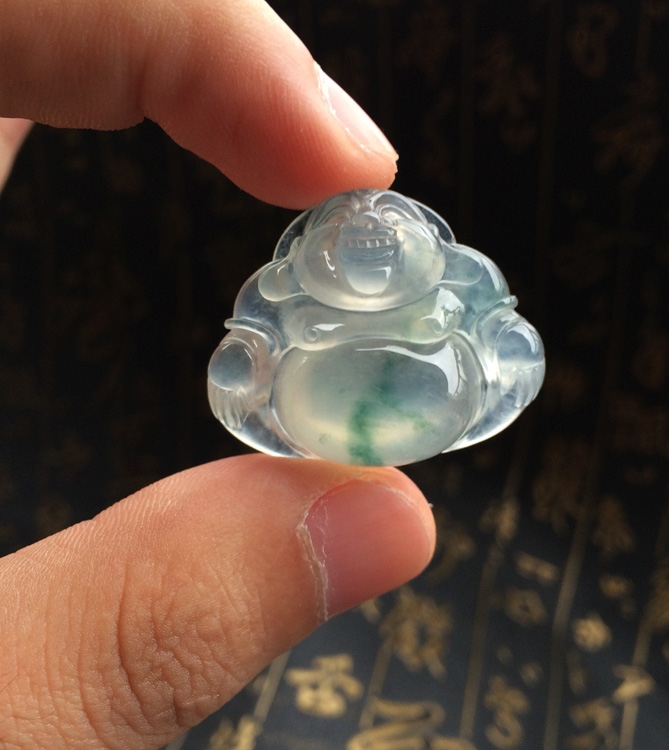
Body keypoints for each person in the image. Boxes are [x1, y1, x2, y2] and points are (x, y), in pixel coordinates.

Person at [0, 1, 436, 747]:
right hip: (315, 395)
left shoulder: (454, 290)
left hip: (422, 386)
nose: (373, 245)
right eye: (354, 242)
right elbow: (248, 347)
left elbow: (503, 333)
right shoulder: (287, 289)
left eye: (391, 240)